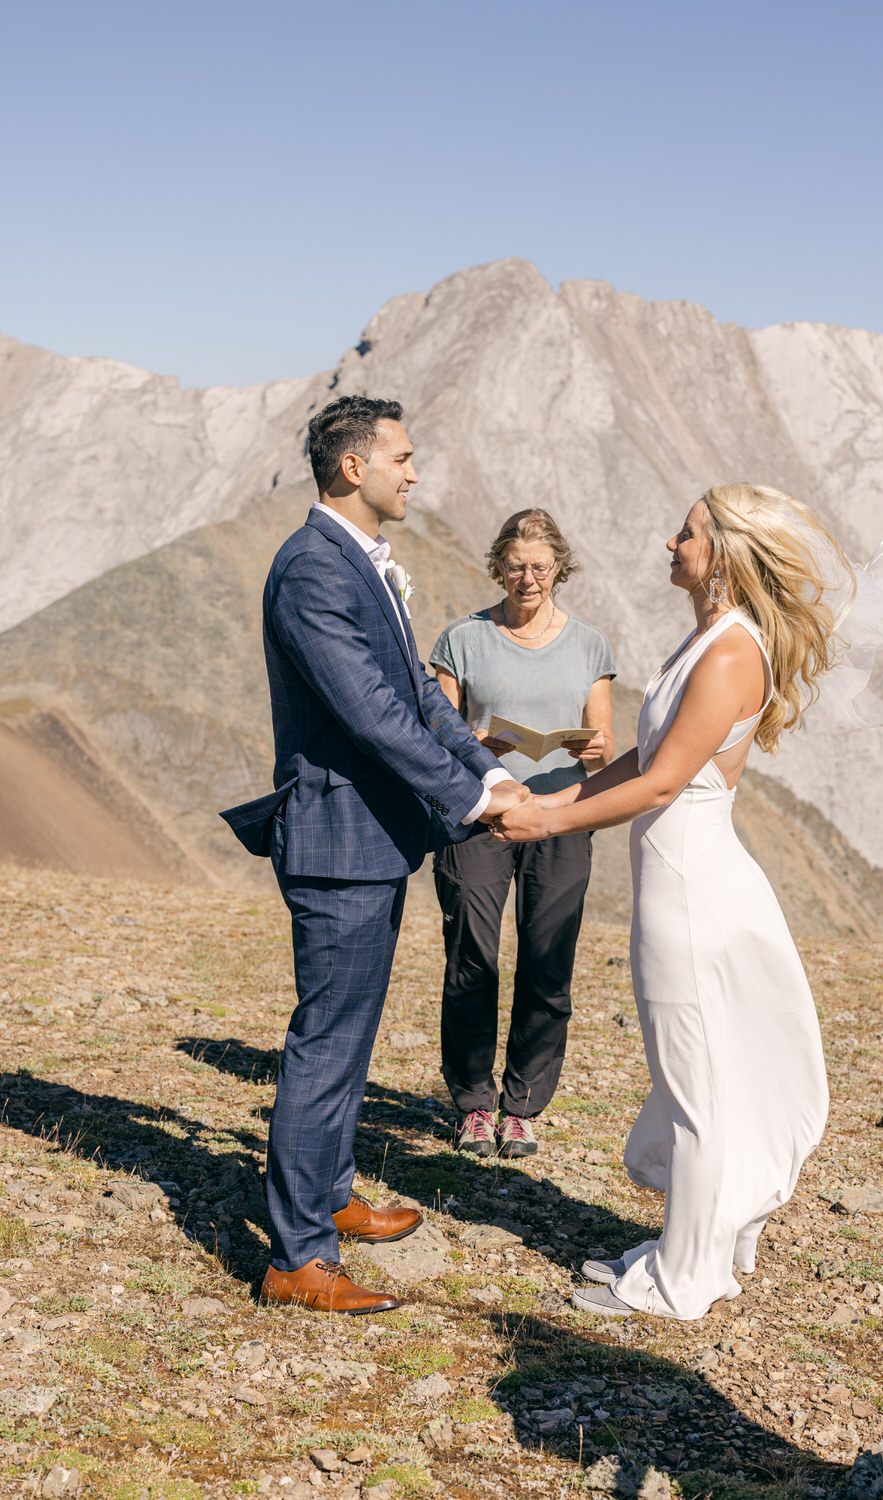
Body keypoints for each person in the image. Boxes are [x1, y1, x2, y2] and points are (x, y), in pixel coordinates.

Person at [493, 483, 844, 1319]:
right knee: (688, 1070)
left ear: (720, 553)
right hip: (678, 874)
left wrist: (550, 822)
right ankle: (695, 1242)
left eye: (683, 534)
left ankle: (685, 1280)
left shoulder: (729, 651)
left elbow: (659, 780)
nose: (667, 544)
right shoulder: (711, 638)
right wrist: (547, 805)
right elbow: (645, 758)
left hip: (689, 886)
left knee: (692, 1079)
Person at [220, 395, 528, 1317]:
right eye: (402, 456)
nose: (415, 471)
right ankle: (296, 1258)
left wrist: (487, 774)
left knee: (348, 1036)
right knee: (325, 1043)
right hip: (335, 836)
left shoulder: (361, 561)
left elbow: (425, 705)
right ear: (352, 467)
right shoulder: (312, 568)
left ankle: (329, 1193)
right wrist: (471, 798)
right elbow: (370, 713)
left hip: (373, 835)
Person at [429, 509, 615, 1159]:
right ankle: (474, 1105)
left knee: (547, 963)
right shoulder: (461, 640)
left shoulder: (591, 645)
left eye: (539, 566)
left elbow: (604, 743)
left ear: (559, 567)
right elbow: (433, 737)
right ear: (497, 566)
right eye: (515, 566)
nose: (527, 578)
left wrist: (590, 749)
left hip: (562, 815)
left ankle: (523, 1106)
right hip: (479, 814)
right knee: (472, 958)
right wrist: (477, 744)